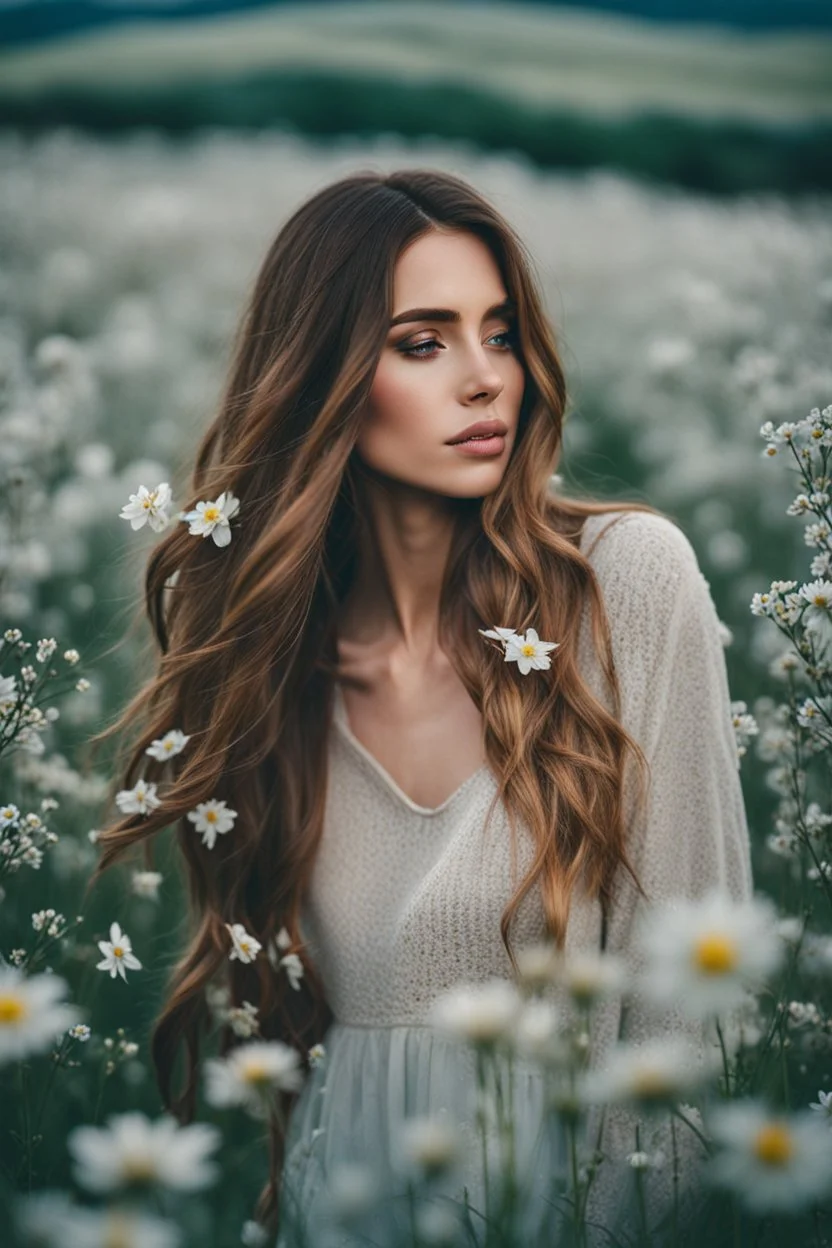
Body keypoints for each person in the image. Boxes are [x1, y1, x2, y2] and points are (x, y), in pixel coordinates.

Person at [90, 169, 753, 1247]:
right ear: (320, 375)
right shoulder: (272, 662)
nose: (489, 379)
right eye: (422, 341)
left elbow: (691, 1016)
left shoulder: (624, 584)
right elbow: (284, 1044)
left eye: (501, 332)